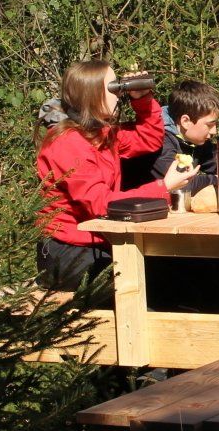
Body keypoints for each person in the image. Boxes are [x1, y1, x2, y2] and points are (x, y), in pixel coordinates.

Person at [35, 61, 196, 291]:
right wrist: (164, 186)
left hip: (96, 244)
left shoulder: (99, 133)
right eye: (112, 87)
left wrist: (141, 98)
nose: (118, 94)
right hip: (65, 252)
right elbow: (100, 205)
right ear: (92, 94)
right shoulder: (68, 142)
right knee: (152, 284)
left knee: (184, 271)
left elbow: (148, 139)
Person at [141, 79, 219, 208]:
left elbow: (213, 161)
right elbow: (182, 183)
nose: (214, 131)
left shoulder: (194, 140)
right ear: (186, 121)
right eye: (209, 125)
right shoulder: (158, 141)